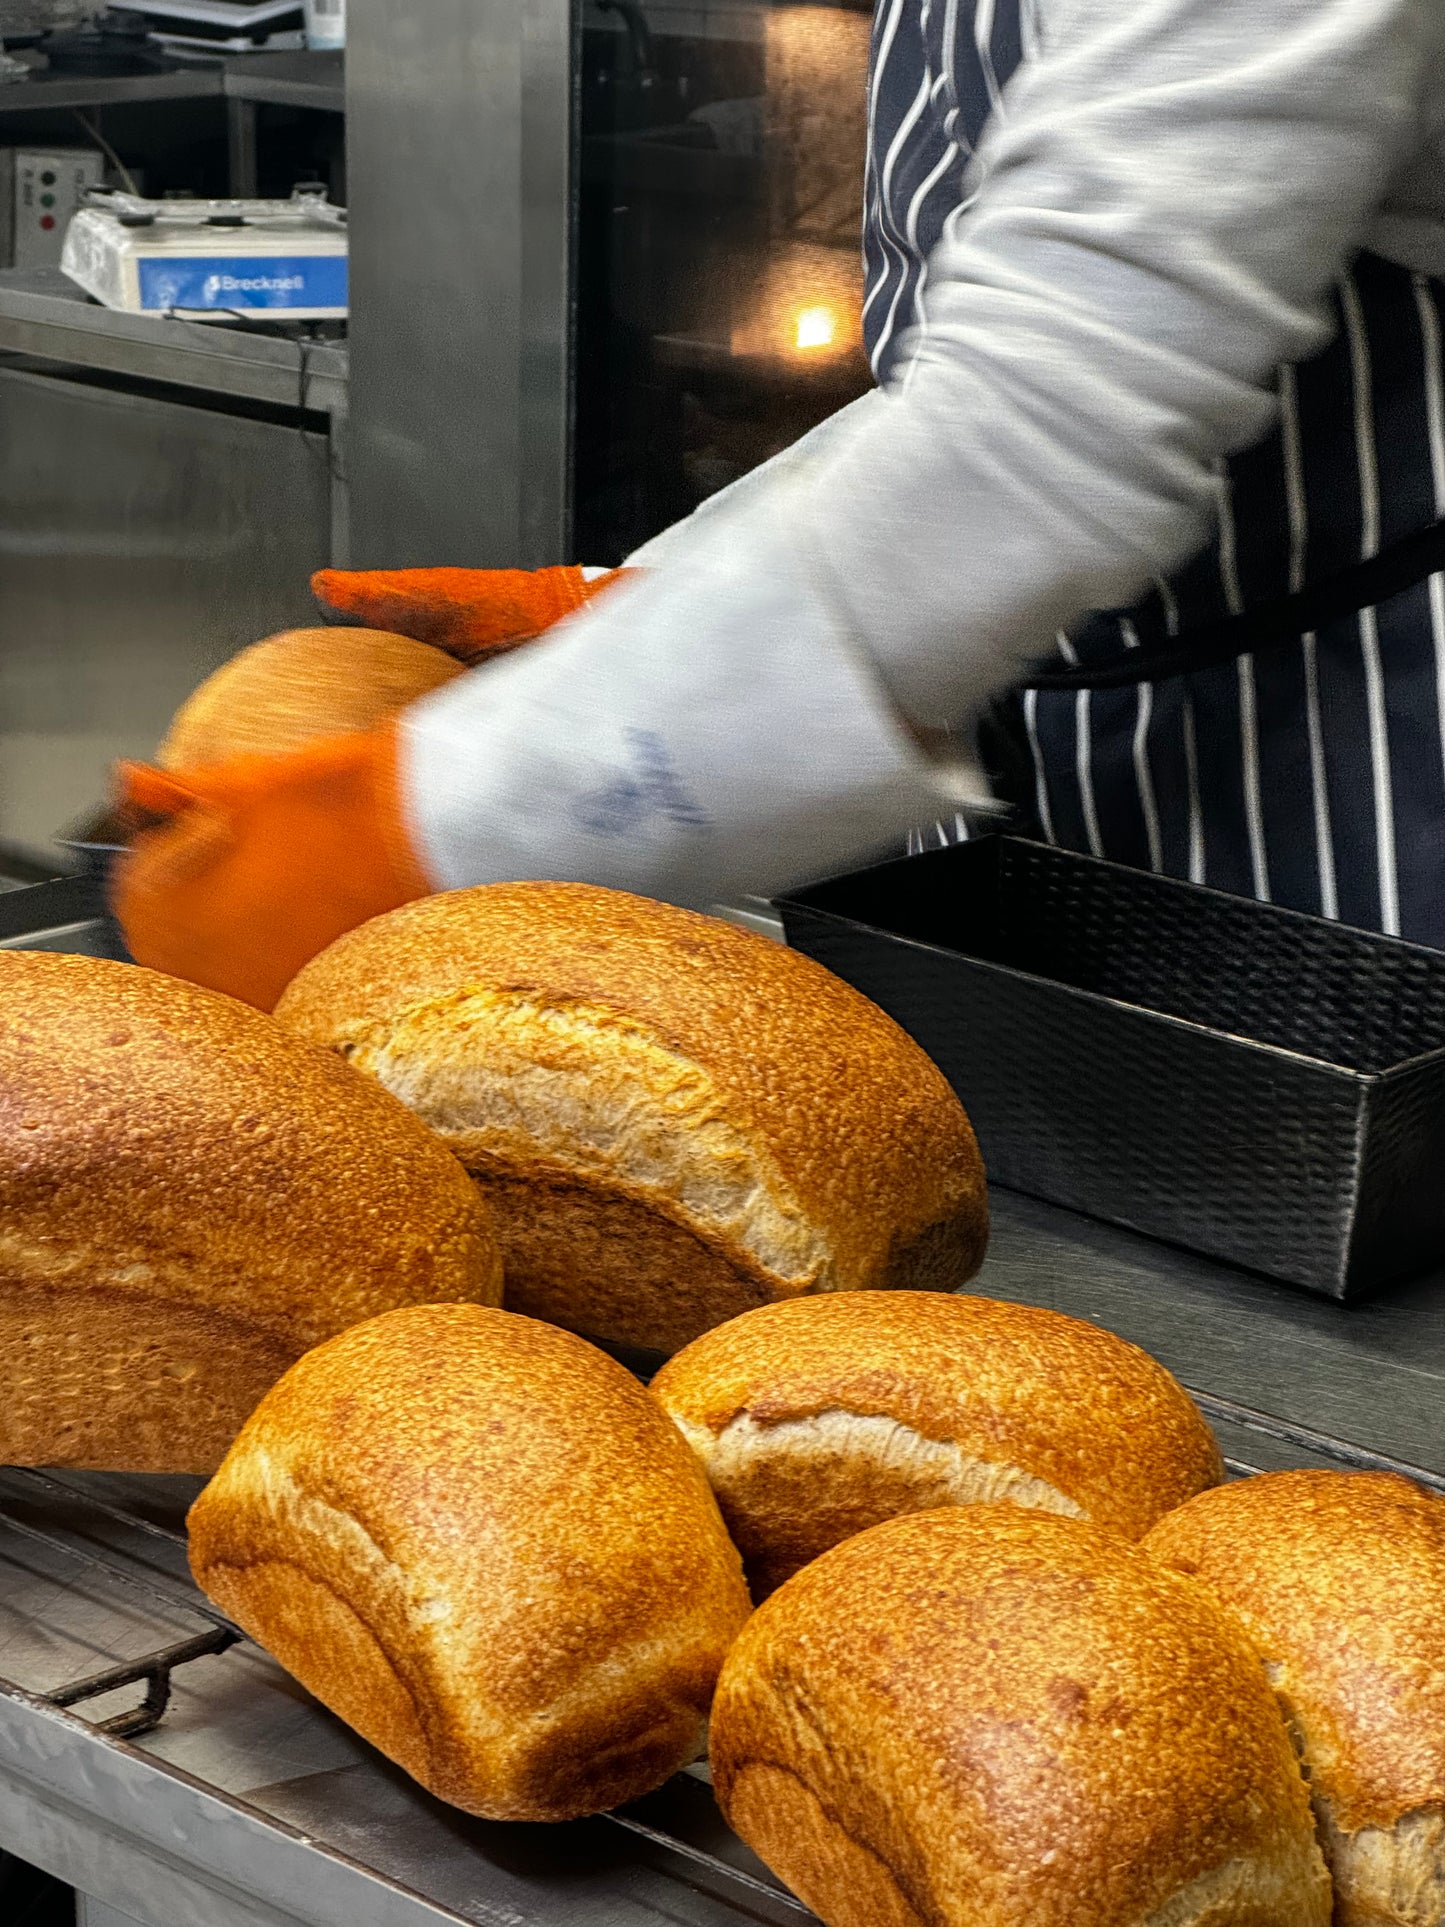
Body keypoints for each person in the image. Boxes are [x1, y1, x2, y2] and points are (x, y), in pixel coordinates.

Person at [118, 0, 1445, 1012]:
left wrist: (425, 835)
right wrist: (647, 607)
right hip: (1054, 770)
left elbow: (1053, 425)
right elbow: (964, 373)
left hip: (1338, 814)